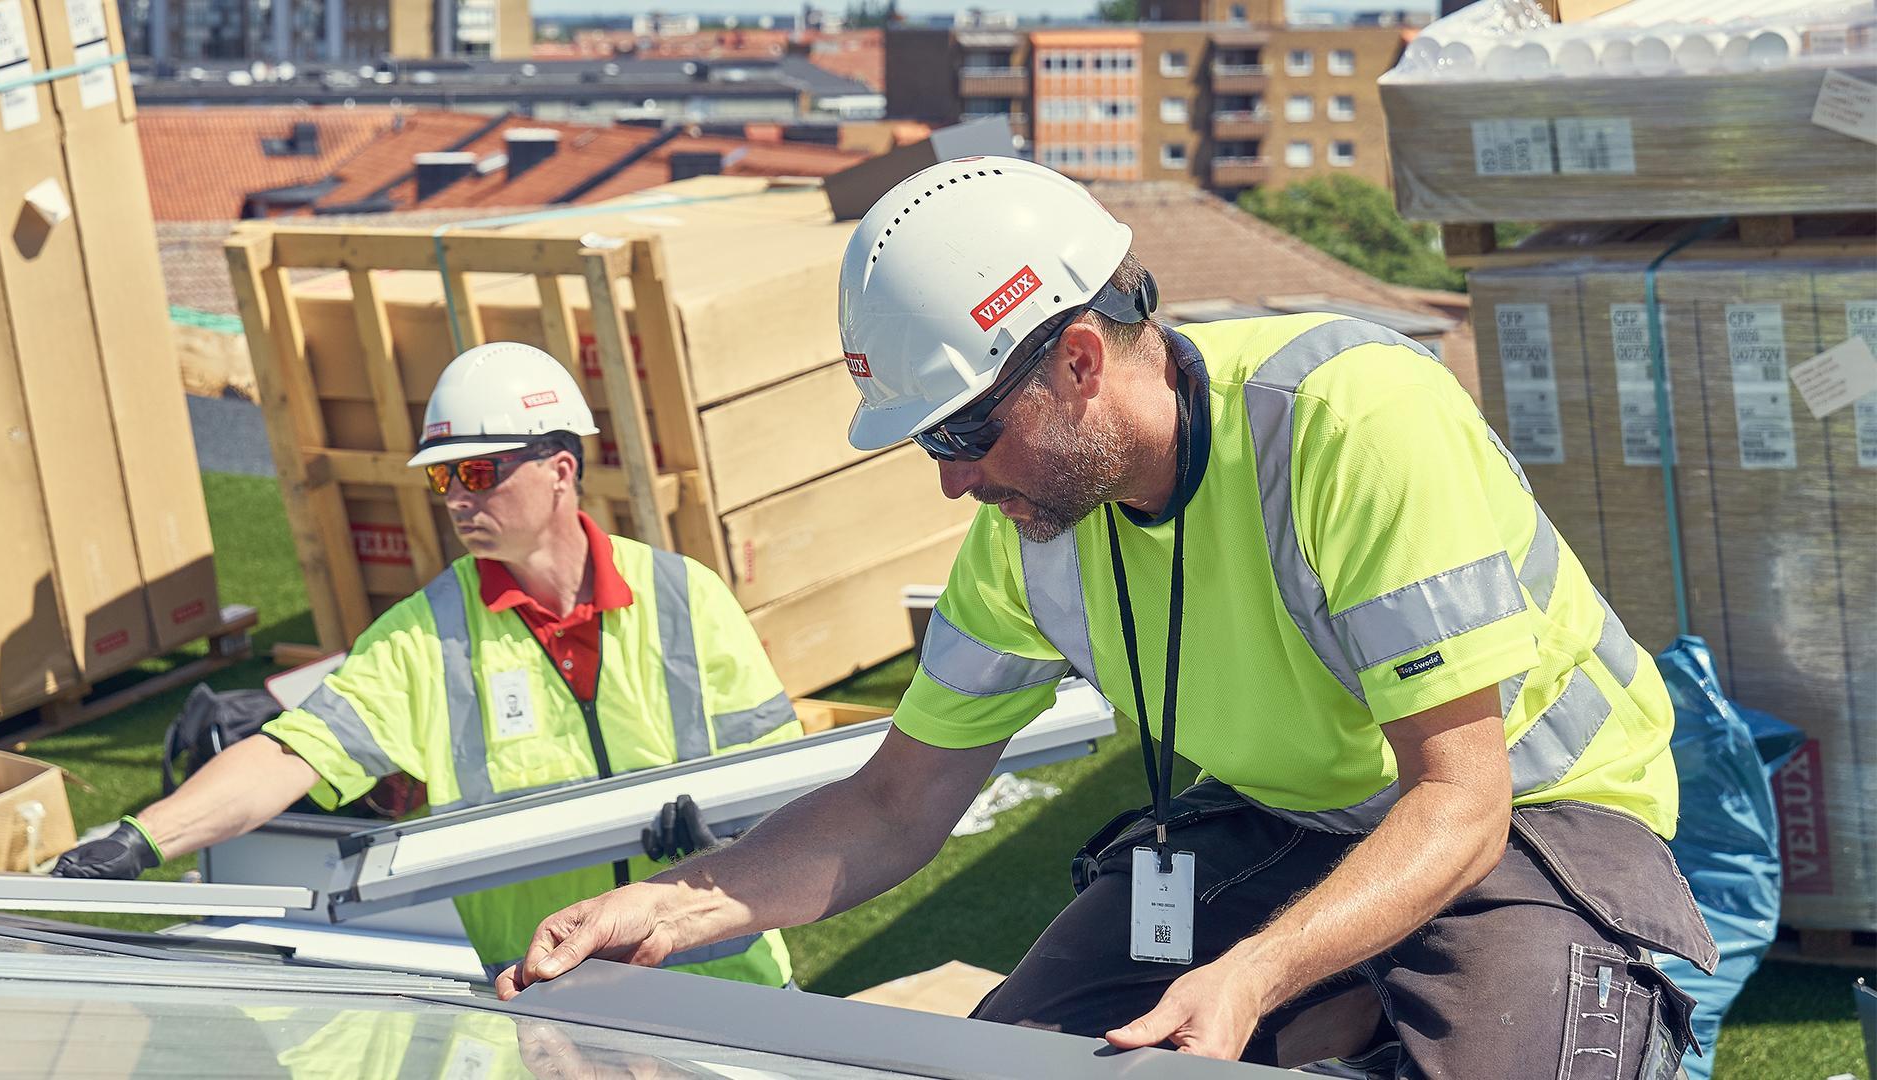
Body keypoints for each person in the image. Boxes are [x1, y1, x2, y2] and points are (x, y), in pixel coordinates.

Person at [498, 159, 1719, 1075]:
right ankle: (1349, 1004)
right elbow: (894, 803)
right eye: (931, 443)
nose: (953, 479)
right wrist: (675, 904)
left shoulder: (1346, 418)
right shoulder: (1025, 538)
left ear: (1080, 360)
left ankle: (1359, 1008)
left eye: (966, 431)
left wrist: (1252, 974)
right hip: (1302, 818)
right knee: (1019, 1058)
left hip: (1538, 823)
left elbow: (1461, 798)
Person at [53, 342, 802, 988]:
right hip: (553, 993)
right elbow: (289, 754)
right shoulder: (425, 636)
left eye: (476, 473)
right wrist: (138, 840)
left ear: (560, 469)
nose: (455, 499)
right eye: (443, 479)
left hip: (723, 972)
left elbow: (786, 771)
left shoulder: (686, 598)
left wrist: (727, 840)